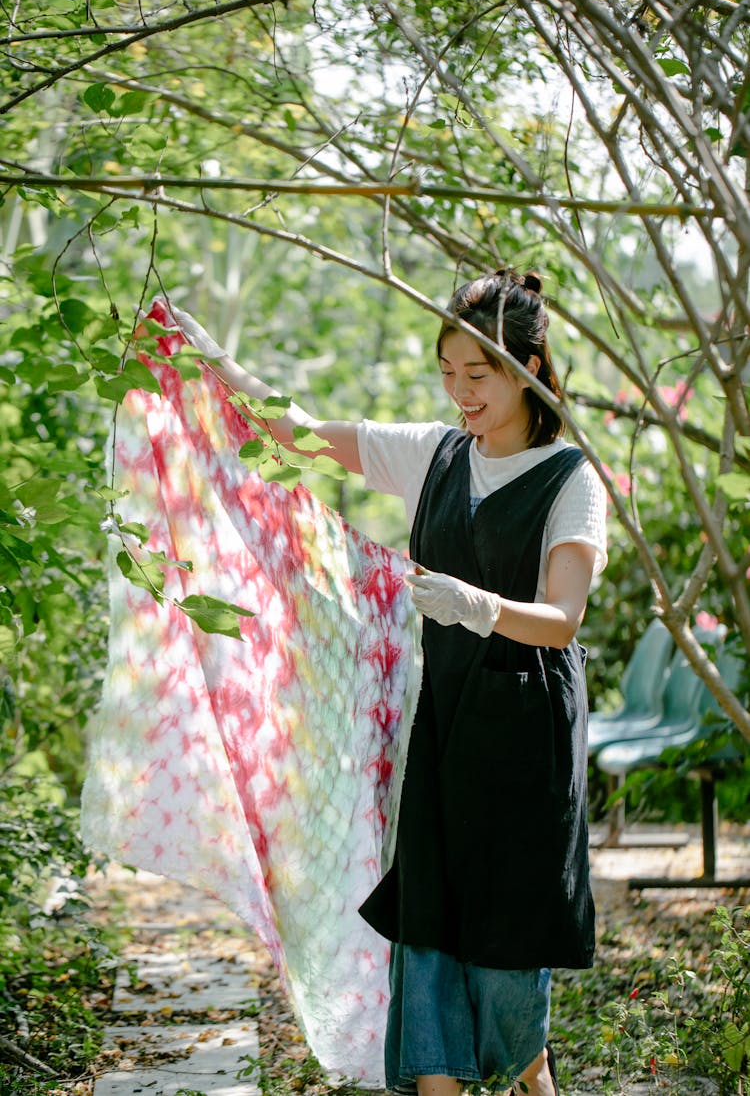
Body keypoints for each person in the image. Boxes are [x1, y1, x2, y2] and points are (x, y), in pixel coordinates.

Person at [170, 268, 607, 1096]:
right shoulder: (434, 455)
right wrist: (214, 364)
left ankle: (533, 1078)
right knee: (430, 932)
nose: (460, 393)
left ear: (528, 368)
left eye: (477, 376)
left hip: (526, 743)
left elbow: (562, 618)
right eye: (448, 374)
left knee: (511, 979)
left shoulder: (570, 480)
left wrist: (476, 603)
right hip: (443, 730)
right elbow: (296, 435)